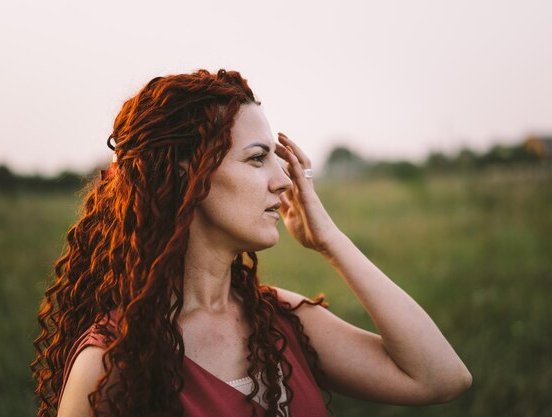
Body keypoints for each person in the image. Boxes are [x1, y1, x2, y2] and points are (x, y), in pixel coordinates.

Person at [31, 69, 472, 417]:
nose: (284, 182)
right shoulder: (109, 363)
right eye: (257, 158)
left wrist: (330, 241)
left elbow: (439, 379)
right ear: (190, 175)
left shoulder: (281, 321)